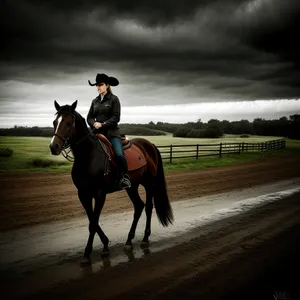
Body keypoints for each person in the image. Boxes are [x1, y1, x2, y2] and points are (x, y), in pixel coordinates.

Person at [87, 73, 131, 190]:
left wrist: (103, 124)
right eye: (97, 85)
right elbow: (89, 117)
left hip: (112, 133)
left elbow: (116, 117)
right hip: (97, 134)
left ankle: (124, 177)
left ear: (107, 85)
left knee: (119, 154)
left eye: (100, 85)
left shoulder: (114, 99)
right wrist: (93, 123)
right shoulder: (94, 101)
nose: (98, 87)